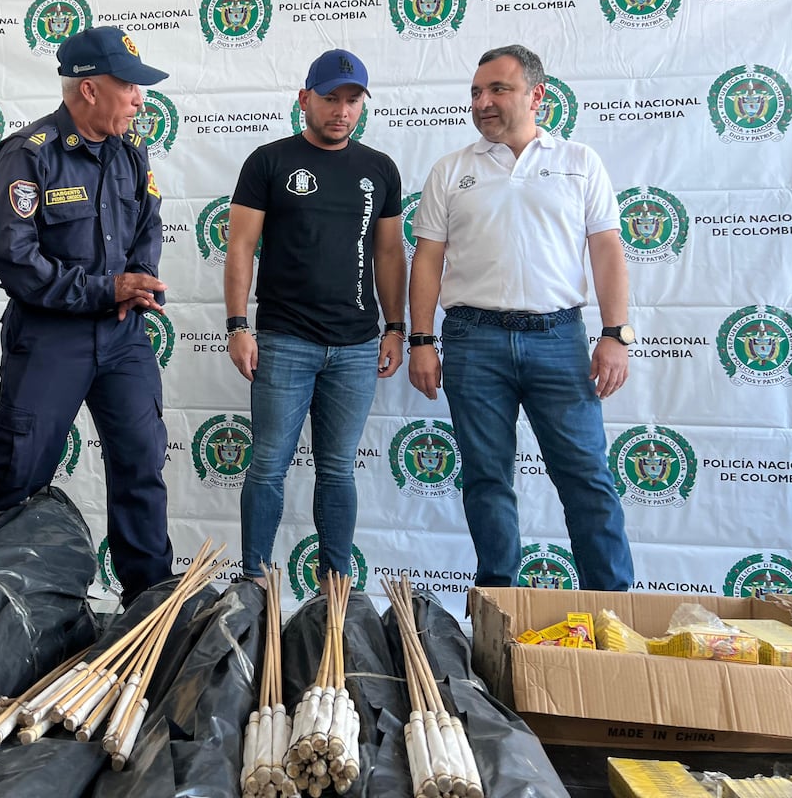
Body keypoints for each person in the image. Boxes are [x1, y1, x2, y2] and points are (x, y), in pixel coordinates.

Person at [407, 44, 635, 590]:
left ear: (537, 95)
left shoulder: (580, 162)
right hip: (473, 341)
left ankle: (613, 607)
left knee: (586, 476)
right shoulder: (451, 170)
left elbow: (607, 250)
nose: (482, 102)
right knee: (486, 478)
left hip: (559, 339)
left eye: (498, 90)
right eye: (476, 92)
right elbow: (428, 259)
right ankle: (497, 603)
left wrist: (615, 334)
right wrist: (421, 339)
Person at [0, 26, 173, 602]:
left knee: (141, 464)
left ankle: (149, 608)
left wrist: (135, 285)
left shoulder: (131, 154)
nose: (139, 100)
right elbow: (12, 257)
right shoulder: (28, 153)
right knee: (19, 471)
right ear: (89, 89)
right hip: (50, 337)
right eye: (129, 87)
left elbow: (148, 227)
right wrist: (105, 289)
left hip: (123, 335)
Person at [226, 48, 407, 585]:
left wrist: (396, 327)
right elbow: (241, 247)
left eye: (353, 100)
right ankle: (254, 583)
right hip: (284, 341)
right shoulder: (269, 161)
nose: (342, 111)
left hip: (356, 346)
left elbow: (389, 253)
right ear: (305, 99)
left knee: (337, 471)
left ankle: (336, 591)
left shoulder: (379, 168)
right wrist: (237, 325)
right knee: (267, 465)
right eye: (331, 98)